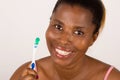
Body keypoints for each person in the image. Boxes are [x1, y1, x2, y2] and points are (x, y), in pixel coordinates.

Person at [10, 0, 120, 80]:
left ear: (93, 38)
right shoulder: (25, 74)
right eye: (58, 27)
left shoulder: (112, 78)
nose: (63, 40)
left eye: (78, 32)